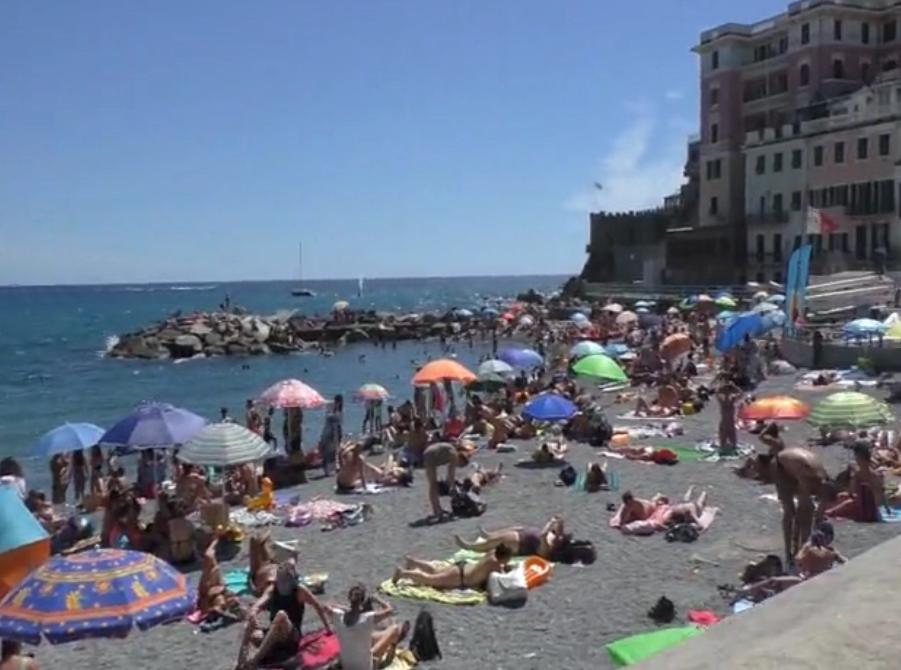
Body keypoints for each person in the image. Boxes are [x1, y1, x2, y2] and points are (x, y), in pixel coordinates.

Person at [237, 561, 332, 670]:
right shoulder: (273, 589)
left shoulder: (299, 590)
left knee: (281, 615)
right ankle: (241, 661)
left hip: (292, 634)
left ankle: (256, 659)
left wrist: (328, 628)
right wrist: (253, 612)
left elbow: (317, 606)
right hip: (274, 631)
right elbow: (260, 603)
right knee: (250, 626)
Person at [328, 585, 409, 670]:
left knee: (368, 635)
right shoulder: (367, 618)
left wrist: (342, 608)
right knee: (394, 629)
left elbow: (329, 606)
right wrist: (378, 600)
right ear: (362, 602)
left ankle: (391, 641)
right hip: (366, 667)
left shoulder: (338, 616)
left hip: (346, 665)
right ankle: (394, 642)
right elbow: (390, 610)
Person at [393, 544, 512, 590]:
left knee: (436, 571)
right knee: (429, 579)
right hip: (461, 577)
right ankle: (403, 573)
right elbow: (501, 579)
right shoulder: (495, 564)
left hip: (462, 567)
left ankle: (414, 562)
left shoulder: (492, 552)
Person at [826, 442, 888, 523]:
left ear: (861, 458)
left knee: (848, 503)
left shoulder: (874, 477)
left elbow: (878, 500)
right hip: (860, 502)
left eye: (857, 457)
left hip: (870, 509)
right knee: (841, 497)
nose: (856, 459)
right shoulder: (858, 474)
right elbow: (852, 492)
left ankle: (830, 512)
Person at [454, 516, 565, 558]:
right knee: (513, 528)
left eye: (560, 538)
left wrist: (549, 523)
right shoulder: (555, 538)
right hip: (523, 534)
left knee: (500, 540)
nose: (559, 536)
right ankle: (489, 535)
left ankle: (471, 546)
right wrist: (560, 522)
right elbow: (560, 531)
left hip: (520, 543)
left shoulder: (547, 548)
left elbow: (542, 535)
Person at [197, 537, 245, 622]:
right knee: (210, 560)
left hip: (214, 591)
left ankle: (214, 540)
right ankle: (214, 539)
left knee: (211, 562)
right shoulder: (215, 596)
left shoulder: (209, 581)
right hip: (214, 593)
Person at [423, 442, 472, 519]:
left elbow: (449, 476)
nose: (458, 466)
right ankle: (437, 511)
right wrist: (453, 489)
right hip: (431, 455)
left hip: (429, 453)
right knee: (433, 484)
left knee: (433, 484)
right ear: (461, 460)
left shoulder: (453, 452)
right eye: (460, 465)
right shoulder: (454, 456)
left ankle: (437, 508)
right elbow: (450, 475)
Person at [318, 395, 344, 476]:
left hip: (336, 431)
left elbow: (339, 421)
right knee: (327, 450)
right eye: (337, 402)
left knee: (334, 450)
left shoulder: (339, 410)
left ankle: (334, 467)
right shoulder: (331, 407)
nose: (338, 404)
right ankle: (329, 469)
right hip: (331, 431)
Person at [716, 380, 742, 454]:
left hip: (729, 424)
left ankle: (728, 448)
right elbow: (717, 392)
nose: (727, 393)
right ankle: (724, 448)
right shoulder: (722, 401)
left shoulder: (732, 400)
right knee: (723, 443)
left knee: (733, 444)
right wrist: (725, 387)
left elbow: (741, 394)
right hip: (726, 424)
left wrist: (734, 387)